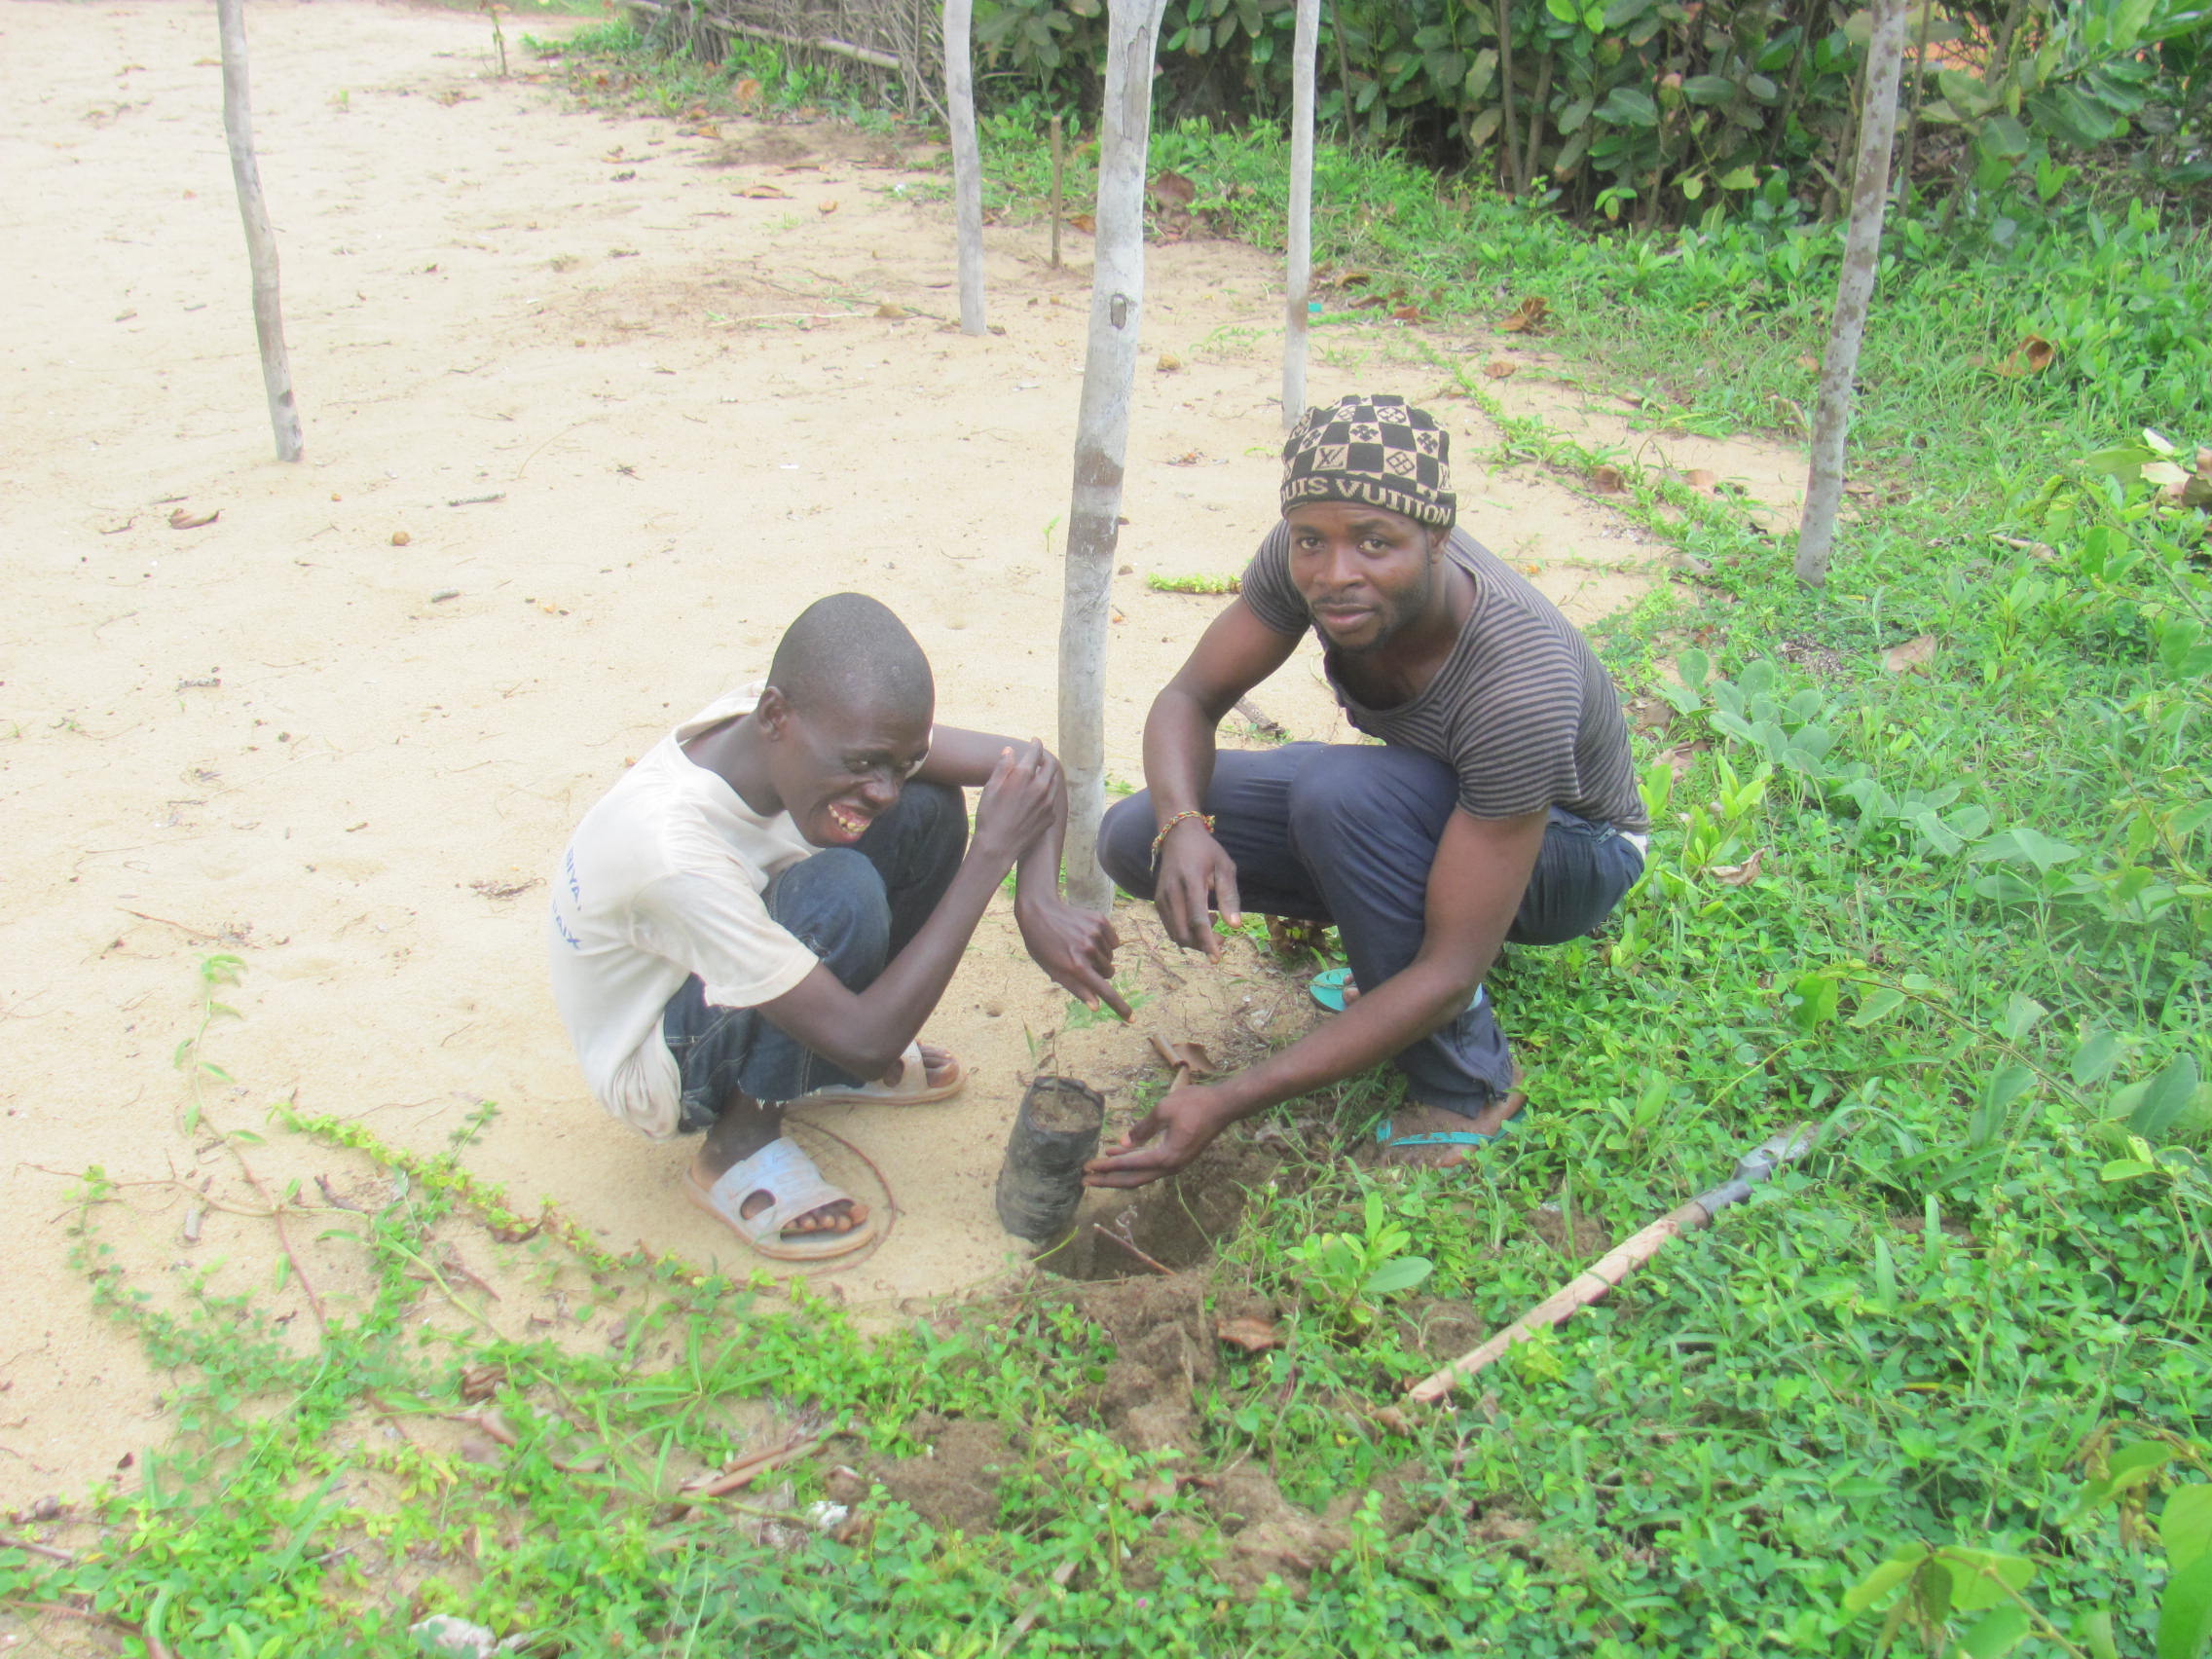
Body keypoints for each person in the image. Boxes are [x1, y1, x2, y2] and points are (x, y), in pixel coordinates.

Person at [1088, 394, 1647, 1188]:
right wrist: (1184, 826)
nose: (1336, 574)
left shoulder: (1519, 678)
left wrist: (1228, 1100)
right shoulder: (1308, 556)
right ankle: (1386, 962)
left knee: (1343, 795)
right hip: (1441, 800)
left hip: (1573, 846)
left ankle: (1469, 1088)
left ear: (1438, 540)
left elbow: (1452, 968)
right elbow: (1189, 700)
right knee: (1134, 830)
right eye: (1312, 540)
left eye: (1376, 544)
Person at [549, 593, 1125, 1261]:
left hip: (724, 962)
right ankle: (738, 1146)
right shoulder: (671, 851)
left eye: (897, 761)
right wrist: (990, 857)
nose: (880, 786)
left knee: (927, 807)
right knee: (839, 894)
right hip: (657, 1058)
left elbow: (1029, 769)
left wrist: (1037, 901)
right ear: (775, 717)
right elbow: (866, 1041)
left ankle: (809, 1061)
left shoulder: (803, 725)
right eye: (861, 764)